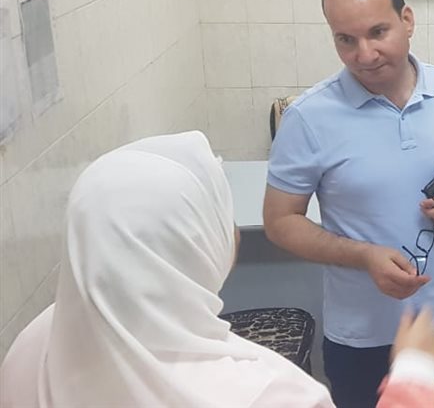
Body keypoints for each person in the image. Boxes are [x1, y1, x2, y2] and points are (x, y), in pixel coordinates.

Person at [264, 0, 434, 408]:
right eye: (345, 39)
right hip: (365, 337)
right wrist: (364, 255)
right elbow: (280, 221)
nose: (365, 54)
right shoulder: (308, 117)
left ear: (407, 20)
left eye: (378, 32)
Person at [0, 132, 335, 408]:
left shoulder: (34, 344)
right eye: (221, 215)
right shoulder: (275, 395)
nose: (231, 230)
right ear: (192, 245)